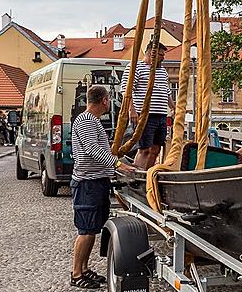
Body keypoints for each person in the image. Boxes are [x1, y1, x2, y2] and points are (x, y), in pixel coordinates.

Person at [70, 85, 136, 289]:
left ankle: (85, 269)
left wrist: (125, 161)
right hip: (87, 183)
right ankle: (76, 273)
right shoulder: (87, 121)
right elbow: (91, 150)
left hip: (96, 181)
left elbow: (100, 149)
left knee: (92, 230)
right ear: (105, 101)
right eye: (109, 99)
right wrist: (117, 164)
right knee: (86, 230)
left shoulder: (91, 121)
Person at [120, 42, 174, 169]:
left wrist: (172, 106)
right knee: (144, 148)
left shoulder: (162, 71)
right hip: (144, 115)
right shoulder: (135, 67)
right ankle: (138, 173)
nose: (163, 58)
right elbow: (126, 90)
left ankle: (147, 172)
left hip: (160, 114)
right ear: (151, 54)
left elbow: (166, 91)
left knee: (156, 148)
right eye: (161, 55)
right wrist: (131, 110)